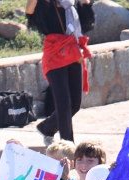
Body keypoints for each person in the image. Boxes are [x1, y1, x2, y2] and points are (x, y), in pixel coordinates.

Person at [26, 0, 93, 143]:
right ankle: (68, 145)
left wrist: (85, 3)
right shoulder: (46, 4)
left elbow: (87, 22)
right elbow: (29, 11)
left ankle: (47, 127)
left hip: (73, 53)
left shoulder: (72, 4)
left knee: (75, 104)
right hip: (55, 56)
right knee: (64, 104)